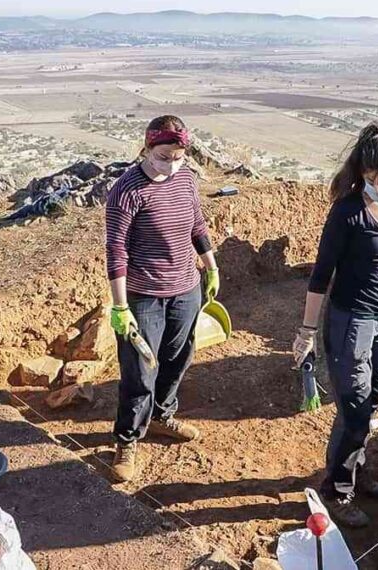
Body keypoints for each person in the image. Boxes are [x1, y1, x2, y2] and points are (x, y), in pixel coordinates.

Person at [292, 121, 378, 528]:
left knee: (372, 403)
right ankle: (337, 490)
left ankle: (357, 470)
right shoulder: (348, 212)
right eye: (372, 178)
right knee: (354, 411)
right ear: (362, 171)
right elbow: (320, 276)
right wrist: (306, 332)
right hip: (350, 321)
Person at [105, 115, 220, 482]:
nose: (171, 165)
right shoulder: (127, 190)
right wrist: (120, 305)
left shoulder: (185, 178)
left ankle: (161, 416)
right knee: (140, 370)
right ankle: (128, 439)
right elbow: (116, 250)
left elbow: (196, 224)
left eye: (178, 157)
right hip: (144, 296)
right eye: (163, 156)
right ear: (147, 148)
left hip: (186, 286)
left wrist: (211, 264)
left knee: (178, 356)